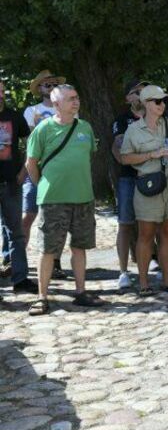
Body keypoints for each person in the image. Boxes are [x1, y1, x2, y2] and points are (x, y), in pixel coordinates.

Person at [24, 84, 103, 315]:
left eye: (77, 97)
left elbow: (88, 156)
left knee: (80, 247)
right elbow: (31, 163)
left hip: (83, 198)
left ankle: (80, 292)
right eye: (70, 99)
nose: (75, 102)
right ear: (56, 104)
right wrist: (44, 186)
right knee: (48, 249)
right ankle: (42, 297)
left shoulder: (85, 127)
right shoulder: (43, 129)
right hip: (53, 200)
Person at [120, 85, 168, 297]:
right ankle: (143, 282)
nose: (162, 105)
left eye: (163, 101)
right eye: (157, 101)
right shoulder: (133, 129)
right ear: (146, 104)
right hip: (148, 186)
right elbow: (125, 158)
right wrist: (151, 155)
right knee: (146, 234)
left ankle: (167, 280)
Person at [23, 70, 63, 277]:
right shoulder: (32, 111)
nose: (51, 86)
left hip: (58, 171)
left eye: (54, 84)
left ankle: (55, 260)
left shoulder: (66, 110)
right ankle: (18, 259)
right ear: (39, 89)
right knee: (28, 213)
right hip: (36, 168)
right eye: (46, 84)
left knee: (56, 218)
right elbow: (31, 141)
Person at [111, 80, 147, 290]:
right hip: (128, 178)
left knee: (155, 222)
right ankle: (123, 271)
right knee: (125, 223)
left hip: (154, 175)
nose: (142, 95)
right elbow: (119, 148)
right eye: (136, 92)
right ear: (128, 98)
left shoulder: (158, 117)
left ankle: (160, 264)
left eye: (144, 90)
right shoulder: (122, 120)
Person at [0, 79, 34, 295]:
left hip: (11, 182)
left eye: (2, 90)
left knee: (16, 233)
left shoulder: (14, 116)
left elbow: (32, 141)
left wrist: (24, 171)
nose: (0, 94)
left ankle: (20, 279)